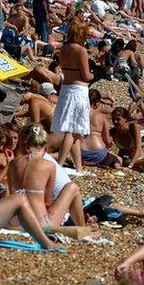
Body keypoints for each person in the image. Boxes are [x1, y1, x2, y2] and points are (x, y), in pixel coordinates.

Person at [7, 123, 86, 228]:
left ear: (23, 143)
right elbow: (47, 201)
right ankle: (83, 229)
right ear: (44, 146)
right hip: (39, 223)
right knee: (73, 187)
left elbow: (11, 193)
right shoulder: (49, 165)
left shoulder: (13, 164)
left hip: (16, 220)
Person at [52, 18, 94, 172]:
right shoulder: (80, 50)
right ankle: (59, 165)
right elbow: (86, 75)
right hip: (78, 91)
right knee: (72, 131)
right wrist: (94, 75)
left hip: (66, 89)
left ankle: (79, 168)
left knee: (74, 129)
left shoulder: (63, 48)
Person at [108, 107, 144, 171]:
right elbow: (106, 147)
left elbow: (138, 149)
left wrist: (130, 165)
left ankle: (133, 165)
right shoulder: (112, 132)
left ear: (126, 119)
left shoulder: (133, 127)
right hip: (123, 159)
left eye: (118, 119)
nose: (115, 121)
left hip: (137, 158)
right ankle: (137, 166)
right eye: (113, 119)